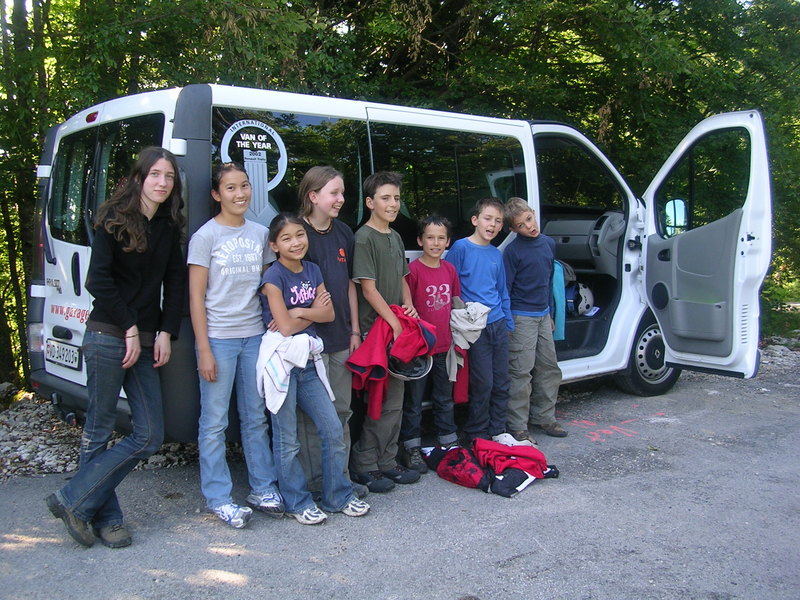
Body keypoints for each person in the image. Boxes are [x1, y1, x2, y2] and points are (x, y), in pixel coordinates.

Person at [45, 147, 186, 548]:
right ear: (139, 178)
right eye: (155, 174)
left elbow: (175, 282)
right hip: (108, 335)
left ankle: (73, 499)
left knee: (150, 435)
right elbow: (98, 282)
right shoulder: (112, 219)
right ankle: (108, 519)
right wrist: (129, 327)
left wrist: (165, 331)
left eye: (169, 176)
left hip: (145, 339)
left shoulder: (167, 226)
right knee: (99, 430)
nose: (162, 182)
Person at [188, 162, 283, 529]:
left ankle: (262, 488)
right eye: (230, 188)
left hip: (255, 337)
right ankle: (219, 498)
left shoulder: (260, 234)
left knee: (255, 417)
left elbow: (270, 285)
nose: (240, 193)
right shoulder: (205, 237)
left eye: (244, 186)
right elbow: (196, 298)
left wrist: (277, 318)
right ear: (217, 194)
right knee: (214, 422)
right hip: (218, 339)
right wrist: (204, 349)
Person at [258, 213, 370, 525]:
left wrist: (297, 311)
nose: (296, 243)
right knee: (287, 438)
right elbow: (283, 327)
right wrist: (309, 312)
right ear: (274, 246)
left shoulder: (312, 269)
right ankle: (297, 501)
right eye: (286, 238)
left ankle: (338, 496)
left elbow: (329, 314)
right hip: (281, 365)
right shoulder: (273, 278)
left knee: (332, 428)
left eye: (299, 235)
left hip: (308, 362)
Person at [296, 166, 366, 498]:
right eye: (334, 193)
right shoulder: (296, 232)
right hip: (308, 340)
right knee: (312, 417)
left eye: (342, 193)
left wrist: (355, 331)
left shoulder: (344, 233)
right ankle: (314, 484)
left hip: (341, 338)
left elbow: (350, 284)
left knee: (341, 412)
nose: (341, 199)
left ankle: (340, 480)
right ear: (313, 196)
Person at [349, 171, 421, 493]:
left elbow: (403, 278)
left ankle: (388, 460)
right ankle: (365, 464)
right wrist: (394, 323)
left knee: (396, 401)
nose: (393, 204)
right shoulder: (363, 238)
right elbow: (368, 289)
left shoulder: (395, 236)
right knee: (380, 401)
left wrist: (409, 306)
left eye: (396, 198)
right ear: (369, 202)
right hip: (376, 334)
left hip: (397, 329)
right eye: (385, 198)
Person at [445, 197, 516, 444]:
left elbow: (501, 290)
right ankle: (477, 431)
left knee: (502, 381)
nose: (492, 225)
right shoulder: (461, 248)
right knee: (483, 382)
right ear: (475, 220)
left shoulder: (496, 254)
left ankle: (498, 429)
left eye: (498, 221)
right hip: (475, 327)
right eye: (488, 218)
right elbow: (450, 284)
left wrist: (508, 322)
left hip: (498, 323)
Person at [399, 215, 461, 472]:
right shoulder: (412, 271)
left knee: (444, 397)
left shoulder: (450, 270)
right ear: (419, 240)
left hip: (445, 347)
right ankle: (411, 447)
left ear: (448, 242)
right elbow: (407, 308)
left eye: (440, 238)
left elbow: (456, 304)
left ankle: (449, 441)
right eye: (430, 238)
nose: (435, 243)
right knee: (413, 401)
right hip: (420, 349)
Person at [503, 198, 566, 442]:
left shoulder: (548, 243)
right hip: (521, 317)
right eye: (521, 225)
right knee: (521, 372)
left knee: (549, 368)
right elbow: (506, 289)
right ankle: (518, 425)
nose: (529, 226)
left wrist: (549, 313)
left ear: (533, 212)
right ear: (513, 229)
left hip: (542, 315)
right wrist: (509, 322)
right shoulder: (513, 251)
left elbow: (548, 281)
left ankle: (545, 417)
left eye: (529, 219)